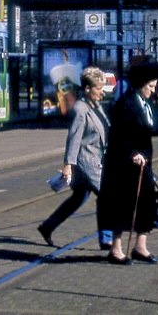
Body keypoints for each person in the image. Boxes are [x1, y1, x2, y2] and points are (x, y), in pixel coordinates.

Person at [37, 67, 112, 249]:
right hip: (87, 163)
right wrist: (68, 165)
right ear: (87, 88)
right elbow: (74, 138)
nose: (102, 92)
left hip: (96, 160)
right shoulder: (80, 109)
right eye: (98, 88)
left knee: (78, 198)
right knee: (108, 196)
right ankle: (107, 239)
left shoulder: (97, 106)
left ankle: (48, 227)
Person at [98, 61, 158, 265]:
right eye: (151, 86)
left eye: (155, 86)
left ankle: (140, 247)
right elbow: (119, 134)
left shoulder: (145, 104)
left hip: (144, 164)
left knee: (145, 205)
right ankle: (116, 250)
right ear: (141, 83)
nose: (153, 90)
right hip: (123, 165)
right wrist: (133, 153)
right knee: (121, 205)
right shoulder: (126, 104)